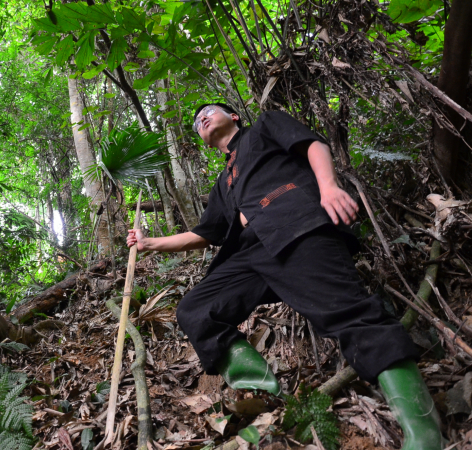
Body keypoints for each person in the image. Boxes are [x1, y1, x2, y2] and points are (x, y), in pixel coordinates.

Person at [127, 104, 443, 449]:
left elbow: (312, 144)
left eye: (209, 110)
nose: (200, 117)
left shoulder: (264, 125)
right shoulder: (223, 183)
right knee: (196, 309)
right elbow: (206, 233)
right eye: (195, 120)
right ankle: (268, 393)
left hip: (296, 226)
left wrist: (328, 187)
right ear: (202, 141)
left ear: (233, 116)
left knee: (348, 312)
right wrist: (149, 243)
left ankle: (423, 431)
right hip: (250, 254)